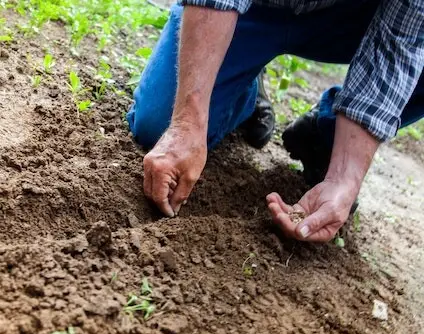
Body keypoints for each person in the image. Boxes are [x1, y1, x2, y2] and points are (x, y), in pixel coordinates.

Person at [126, 0, 424, 242]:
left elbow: (401, 43)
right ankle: (244, 89)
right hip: (253, 9)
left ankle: (327, 136)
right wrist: (187, 124)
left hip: (350, 18)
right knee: (158, 125)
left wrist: (343, 178)